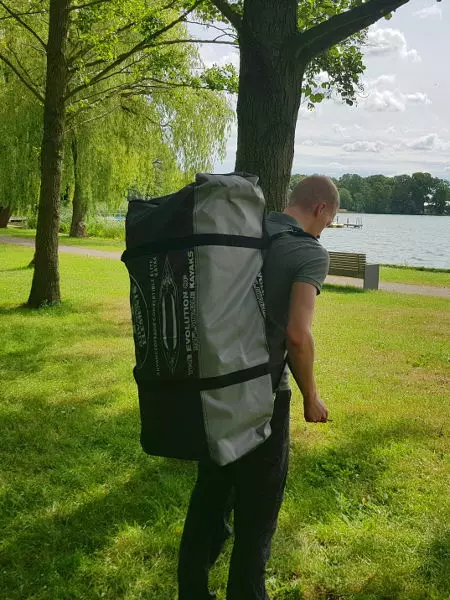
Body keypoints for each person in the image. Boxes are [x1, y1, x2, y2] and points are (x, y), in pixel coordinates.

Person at [177, 175, 340, 600]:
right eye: (328, 222)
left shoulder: (242, 232)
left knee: (211, 494)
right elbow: (298, 336)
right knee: (258, 512)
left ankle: (192, 591)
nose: (324, 229)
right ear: (321, 209)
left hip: (214, 386)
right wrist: (311, 397)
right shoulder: (309, 251)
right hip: (265, 393)